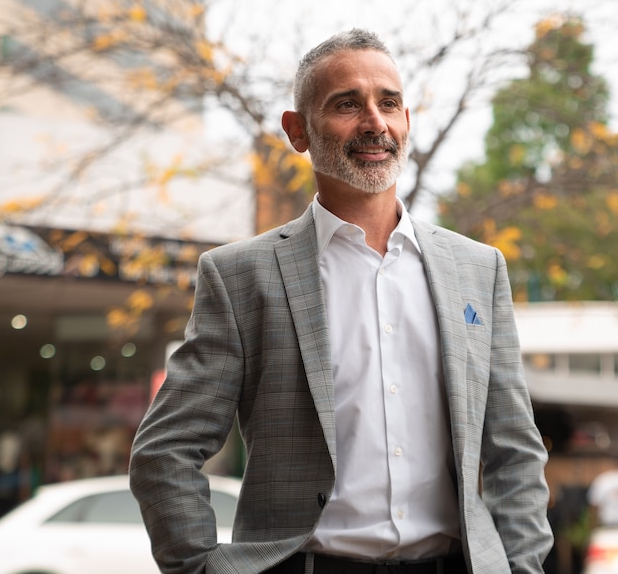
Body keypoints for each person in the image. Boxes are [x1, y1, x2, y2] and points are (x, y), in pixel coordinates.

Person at [129, 28, 553, 574]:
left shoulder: (478, 270)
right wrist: (202, 568)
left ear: (406, 120)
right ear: (297, 130)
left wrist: (520, 566)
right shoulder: (240, 277)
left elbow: (514, 450)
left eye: (389, 103)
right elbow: (166, 450)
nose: (374, 121)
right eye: (347, 104)